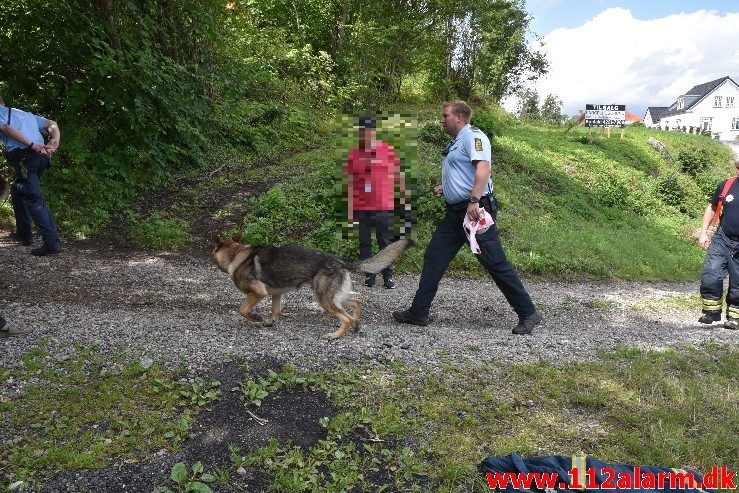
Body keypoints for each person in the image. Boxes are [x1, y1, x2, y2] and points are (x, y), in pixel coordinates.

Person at [392, 100, 542, 335]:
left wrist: (473, 200)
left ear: (459, 117)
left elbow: (483, 168)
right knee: (434, 256)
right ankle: (418, 312)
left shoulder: (473, 136)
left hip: (474, 211)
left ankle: (528, 312)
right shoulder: (457, 141)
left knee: (495, 262)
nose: (441, 120)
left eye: (445, 116)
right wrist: (447, 188)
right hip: (455, 214)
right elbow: (465, 172)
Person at [345, 116, 407, 289]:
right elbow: (351, 184)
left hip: (384, 206)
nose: (365, 134)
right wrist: (351, 211)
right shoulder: (353, 154)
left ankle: (388, 276)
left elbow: (398, 175)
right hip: (363, 208)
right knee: (365, 244)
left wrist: (402, 199)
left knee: (384, 244)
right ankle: (369, 276)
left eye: (369, 130)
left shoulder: (387, 150)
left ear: (374, 131)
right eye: (362, 131)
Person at [0, 96, 61, 256]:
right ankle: (24, 233)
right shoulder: (25, 114)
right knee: (18, 189)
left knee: (33, 199)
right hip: (42, 159)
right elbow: (52, 124)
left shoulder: (2, 114)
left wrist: (32, 145)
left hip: (26, 159)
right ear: (4, 102)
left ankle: (51, 243)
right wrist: (54, 141)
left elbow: (7, 129)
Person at [697, 157, 739, 330]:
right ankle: (711, 312)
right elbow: (712, 207)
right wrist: (704, 232)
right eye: (738, 167)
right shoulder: (727, 185)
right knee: (711, 274)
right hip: (722, 239)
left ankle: (735, 317)